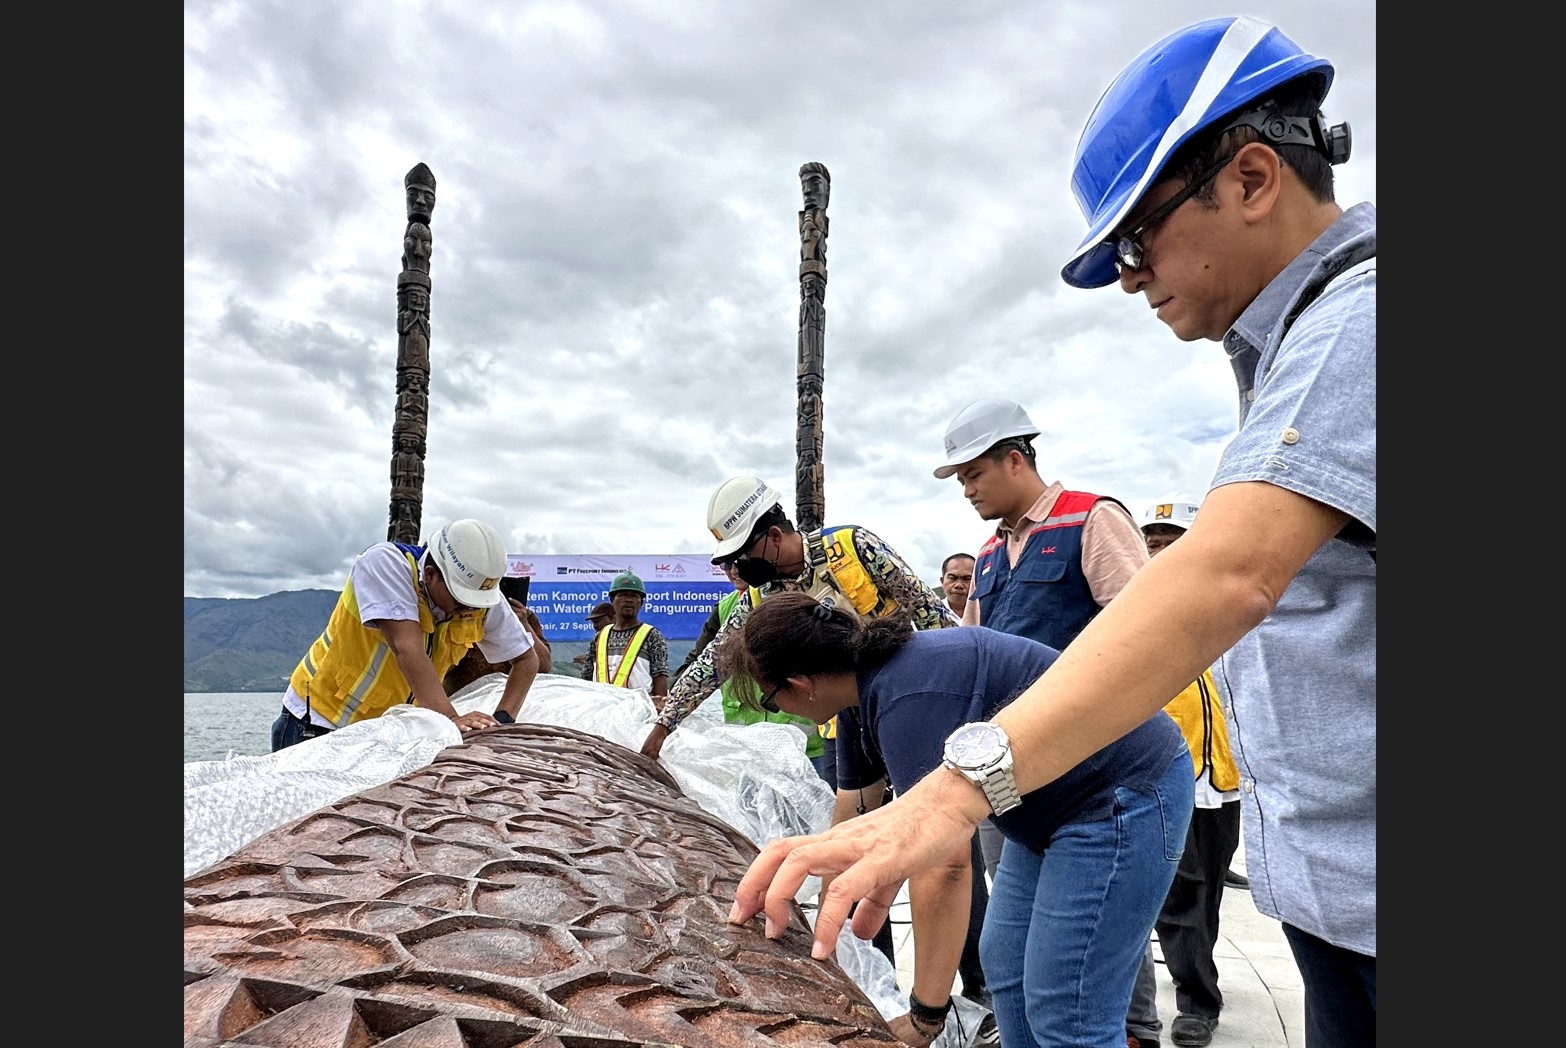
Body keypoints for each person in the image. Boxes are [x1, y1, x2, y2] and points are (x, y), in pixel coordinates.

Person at [730, 17, 1375, 1048]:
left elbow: (1214, 585)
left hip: (1128, 787)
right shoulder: (1290, 356)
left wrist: (948, 792)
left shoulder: (1360, 326)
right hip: (1322, 881)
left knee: (1075, 1008)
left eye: (1139, 236)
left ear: (1252, 180)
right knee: (1029, 1001)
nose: (1130, 275)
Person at [718, 592, 1189, 1048]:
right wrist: (826, 928)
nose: (781, 710)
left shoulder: (910, 691)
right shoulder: (859, 698)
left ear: (799, 683)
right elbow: (851, 811)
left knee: (1066, 1004)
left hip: (1118, 793)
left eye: (772, 700)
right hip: (1046, 811)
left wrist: (926, 1015)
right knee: (1006, 966)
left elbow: (943, 865)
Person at [933, 396, 1164, 1048]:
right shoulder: (987, 554)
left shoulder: (1090, 519)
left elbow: (1144, 632)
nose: (968, 491)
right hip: (1012, 777)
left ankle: (1135, 1030)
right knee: (1013, 951)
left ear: (1016, 457)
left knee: (1098, 927)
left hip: (1096, 774)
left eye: (975, 474)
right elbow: (974, 653)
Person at [638, 475, 959, 761]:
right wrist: (665, 724)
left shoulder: (853, 547)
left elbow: (928, 610)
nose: (738, 567)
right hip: (846, 719)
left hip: (907, 699)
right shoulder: (760, 596)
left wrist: (950, 685)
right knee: (856, 812)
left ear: (774, 536)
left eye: (743, 555)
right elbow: (715, 659)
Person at [271, 518, 541, 751]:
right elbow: (407, 648)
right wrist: (450, 719)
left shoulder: (480, 599)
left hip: (384, 734)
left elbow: (527, 660)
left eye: (476, 603)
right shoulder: (385, 564)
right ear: (431, 574)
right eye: (460, 600)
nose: (468, 610)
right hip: (319, 722)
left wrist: (502, 721)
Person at [1138, 495, 1243, 1048]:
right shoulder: (1136, 615)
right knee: (1180, 898)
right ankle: (1197, 1002)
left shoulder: (1233, 609)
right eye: (1150, 541)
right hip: (1168, 778)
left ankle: (1198, 973)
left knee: (1210, 897)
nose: (1158, 550)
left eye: (1169, 539)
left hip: (1224, 783)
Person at [443, 594, 553, 693]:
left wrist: (524, 625)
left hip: (514, 694)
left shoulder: (524, 616)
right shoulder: (459, 614)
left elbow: (544, 666)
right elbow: (440, 669)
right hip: (463, 697)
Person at [589, 572, 670, 704]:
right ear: (612, 600)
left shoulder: (652, 635)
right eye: (622, 595)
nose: (629, 600)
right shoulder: (599, 637)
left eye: (634, 596)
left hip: (638, 711)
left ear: (641, 602)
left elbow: (660, 678)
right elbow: (587, 679)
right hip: (602, 710)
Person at [572, 602, 615, 678]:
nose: (594, 626)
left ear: (612, 617)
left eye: (597, 621)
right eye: (593, 623)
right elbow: (587, 673)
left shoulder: (633, 637)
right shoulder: (597, 639)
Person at [938, 552, 975, 619]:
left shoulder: (989, 615)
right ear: (942, 581)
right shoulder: (931, 614)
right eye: (952, 578)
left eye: (967, 579)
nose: (959, 585)